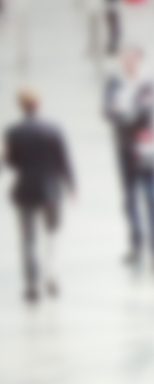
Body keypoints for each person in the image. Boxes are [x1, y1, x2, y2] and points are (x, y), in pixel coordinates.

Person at [4, 89, 75, 303]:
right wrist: (71, 185)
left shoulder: (13, 132)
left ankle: (31, 283)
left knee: (28, 239)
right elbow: (63, 160)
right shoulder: (53, 129)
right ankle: (51, 275)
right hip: (50, 189)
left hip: (25, 189)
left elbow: (10, 162)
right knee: (52, 235)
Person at [104, 45, 154, 273]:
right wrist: (123, 112)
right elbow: (107, 111)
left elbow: (148, 109)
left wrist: (124, 111)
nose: (128, 63)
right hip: (124, 146)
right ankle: (136, 244)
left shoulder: (148, 82)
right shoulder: (114, 81)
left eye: (133, 59)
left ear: (140, 60)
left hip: (146, 147)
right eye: (125, 58)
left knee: (152, 198)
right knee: (129, 198)